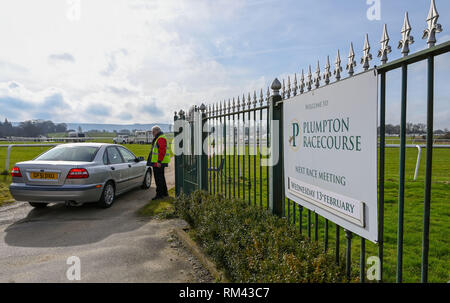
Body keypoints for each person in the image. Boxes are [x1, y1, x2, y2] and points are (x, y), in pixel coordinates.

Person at [147, 125, 170, 200]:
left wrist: (159, 161)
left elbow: (162, 151)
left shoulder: (160, 138)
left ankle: (159, 195)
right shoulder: (160, 137)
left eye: (153, 132)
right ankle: (164, 193)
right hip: (158, 162)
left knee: (158, 179)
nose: (153, 133)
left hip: (158, 162)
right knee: (161, 178)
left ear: (157, 131)